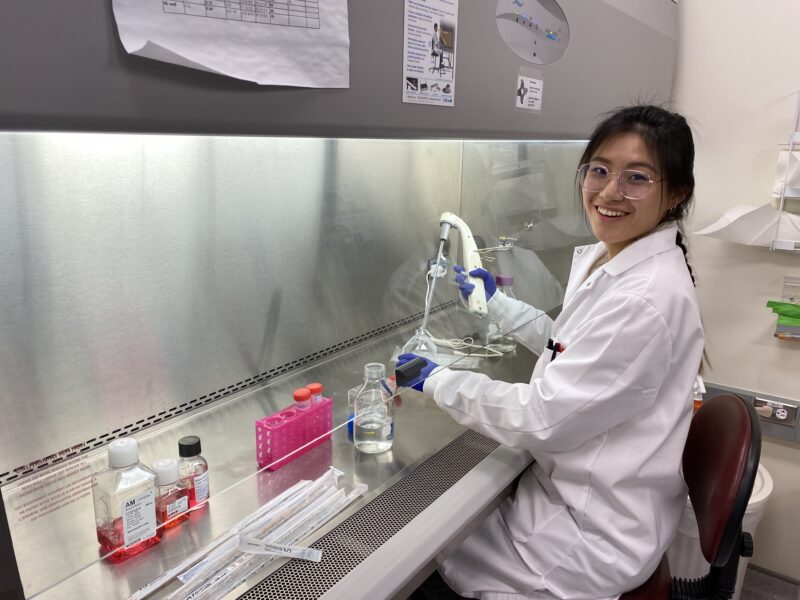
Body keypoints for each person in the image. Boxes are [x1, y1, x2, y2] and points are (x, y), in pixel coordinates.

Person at [400, 105, 704, 599]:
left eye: (637, 177)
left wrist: (436, 380)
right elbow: (568, 344)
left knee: (415, 563)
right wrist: (499, 307)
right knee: (437, 538)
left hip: (587, 535)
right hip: (586, 497)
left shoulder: (643, 298)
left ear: (677, 192)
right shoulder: (620, 262)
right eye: (599, 170)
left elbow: (541, 418)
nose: (609, 192)